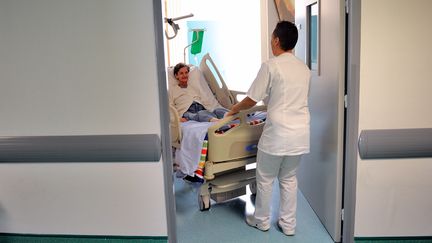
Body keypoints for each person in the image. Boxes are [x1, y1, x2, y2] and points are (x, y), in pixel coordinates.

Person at [225, 21, 311, 236]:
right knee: (289, 179)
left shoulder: (271, 65)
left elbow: (252, 99)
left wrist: (233, 110)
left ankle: (262, 220)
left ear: (276, 40)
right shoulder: (304, 68)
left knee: (265, 178)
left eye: (272, 38)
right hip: (300, 134)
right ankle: (288, 225)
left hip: (278, 134)